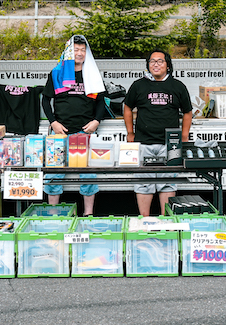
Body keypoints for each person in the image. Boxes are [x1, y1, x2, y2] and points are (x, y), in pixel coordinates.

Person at [123, 49, 193, 216]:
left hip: (170, 145)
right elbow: (127, 107)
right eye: (152, 61)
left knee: (168, 183)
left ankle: (166, 221)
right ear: (148, 65)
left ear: (168, 65)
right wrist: (130, 132)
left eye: (160, 61)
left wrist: (184, 136)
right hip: (143, 142)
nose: (156, 64)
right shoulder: (138, 85)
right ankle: (144, 221)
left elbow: (188, 112)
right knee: (143, 183)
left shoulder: (178, 86)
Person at [42, 35, 106, 215]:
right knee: (54, 175)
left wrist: (96, 121)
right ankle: (53, 214)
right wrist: (53, 122)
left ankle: (88, 214)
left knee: (88, 175)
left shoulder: (92, 74)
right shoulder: (57, 73)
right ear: (69, 52)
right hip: (60, 133)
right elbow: (45, 100)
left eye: (82, 50)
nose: (79, 53)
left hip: (84, 133)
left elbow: (101, 102)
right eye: (75, 49)